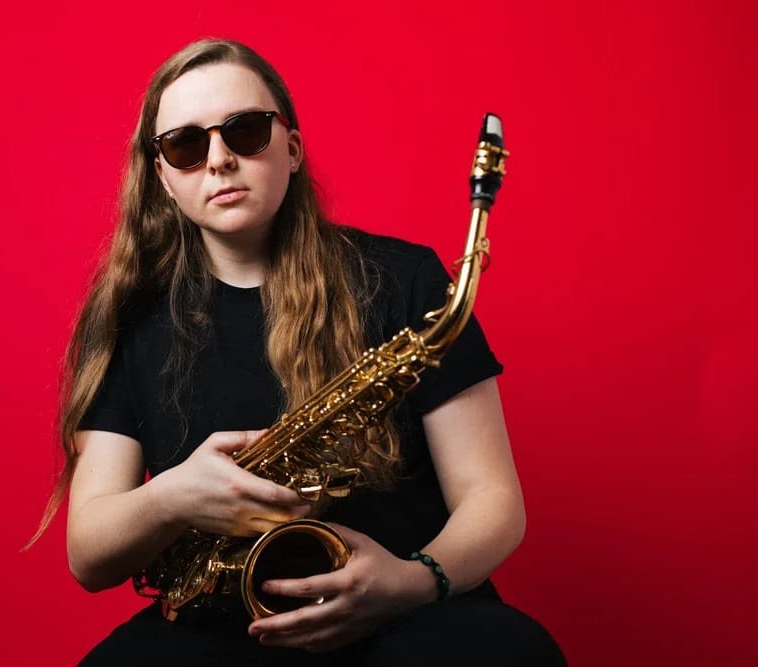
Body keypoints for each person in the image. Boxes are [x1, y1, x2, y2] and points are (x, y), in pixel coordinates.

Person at [30, 38, 566, 666]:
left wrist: (412, 580)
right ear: (163, 179)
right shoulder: (131, 319)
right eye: (185, 145)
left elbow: (493, 500)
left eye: (245, 130)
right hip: (224, 629)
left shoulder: (407, 280)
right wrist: (171, 497)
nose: (219, 159)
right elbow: (89, 554)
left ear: (291, 148)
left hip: (404, 616)